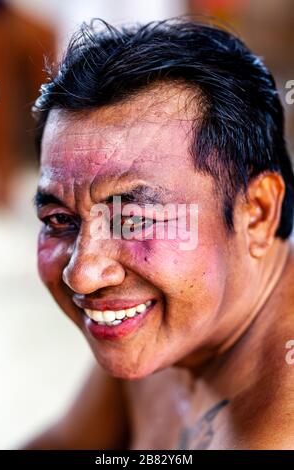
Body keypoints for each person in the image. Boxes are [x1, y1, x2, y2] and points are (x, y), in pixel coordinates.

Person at [23, 17, 294, 450]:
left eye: (134, 219)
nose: (84, 274)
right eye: (59, 220)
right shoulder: (163, 323)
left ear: (257, 213)